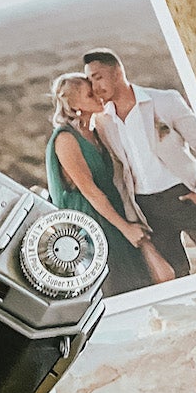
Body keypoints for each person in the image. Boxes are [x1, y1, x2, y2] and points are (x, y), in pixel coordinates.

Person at [86, 49, 196, 279]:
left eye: (98, 77)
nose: (95, 87)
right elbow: (117, 169)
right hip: (148, 207)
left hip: (185, 195)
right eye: (89, 80)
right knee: (177, 276)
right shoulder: (103, 120)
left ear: (118, 72)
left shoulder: (164, 101)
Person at [45, 73, 172, 296]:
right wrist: (126, 228)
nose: (98, 96)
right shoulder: (66, 139)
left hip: (112, 215)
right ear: (74, 105)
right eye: (89, 94)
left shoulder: (94, 132)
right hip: (90, 225)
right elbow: (91, 192)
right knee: (121, 286)